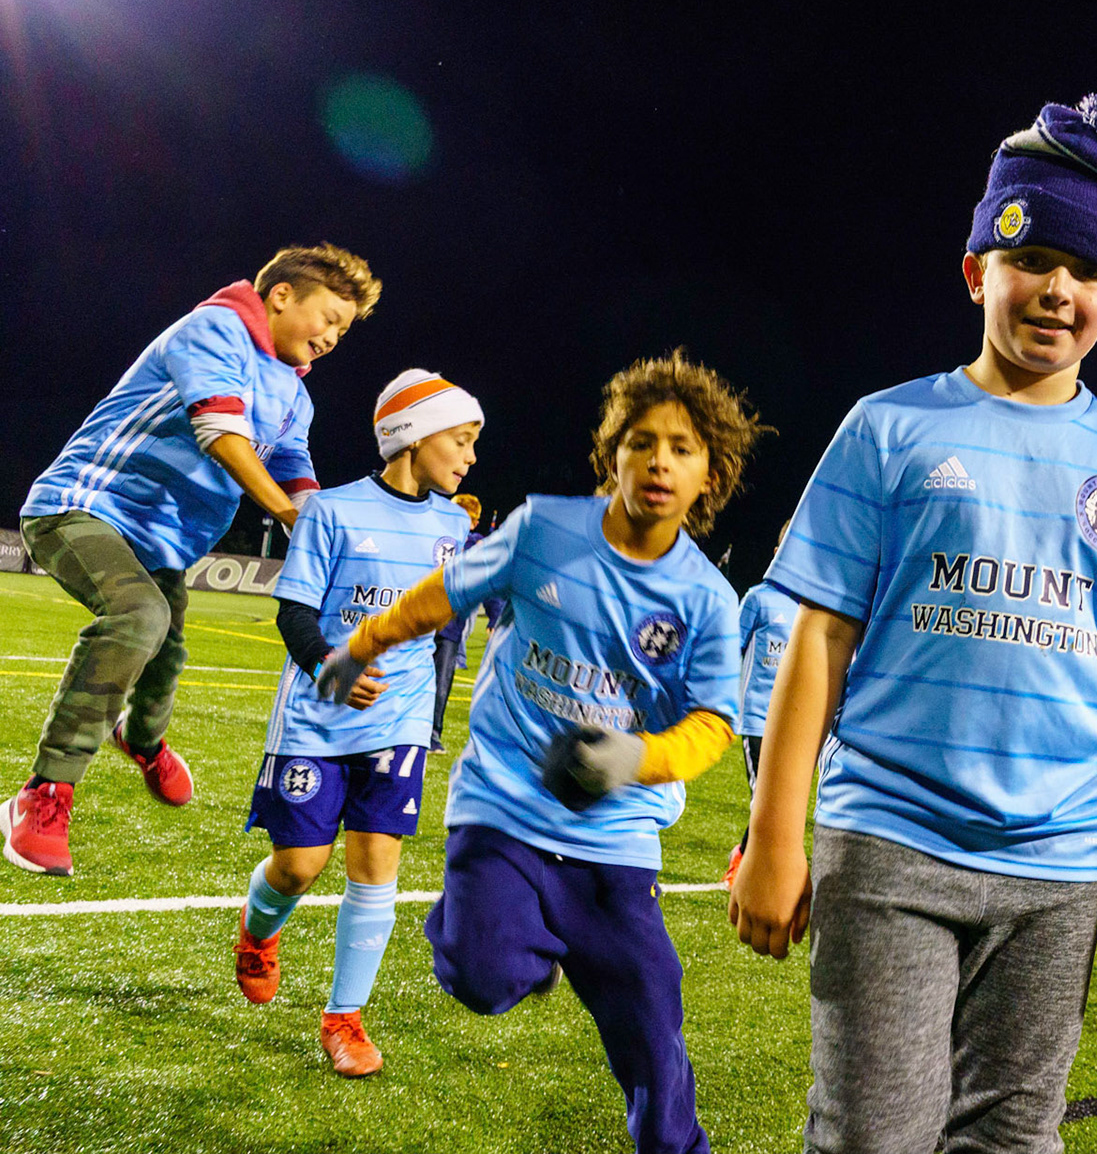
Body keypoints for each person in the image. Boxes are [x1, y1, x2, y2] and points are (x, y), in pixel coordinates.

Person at [730, 88, 1097, 1152]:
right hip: (889, 844)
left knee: (1012, 1136)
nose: (1058, 288)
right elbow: (816, 637)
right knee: (873, 1133)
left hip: (1057, 871)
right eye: (1033, 256)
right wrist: (774, 832)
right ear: (976, 271)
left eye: (1091, 271)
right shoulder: (888, 427)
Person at [315, 352, 767, 1153]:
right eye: (640, 440)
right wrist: (362, 643)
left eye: (683, 448)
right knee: (483, 978)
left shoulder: (705, 598)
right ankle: (500, 937)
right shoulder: (544, 530)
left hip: (616, 840)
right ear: (612, 453)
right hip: (505, 811)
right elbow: (445, 594)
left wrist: (627, 760)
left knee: (655, 1024)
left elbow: (711, 726)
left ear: (710, 474)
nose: (659, 460)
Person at [4, 245, 379, 878]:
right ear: (282, 295)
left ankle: (141, 739)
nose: (334, 336)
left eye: (345, 329)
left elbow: (294, 472)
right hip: (82, 507)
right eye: (330, 316)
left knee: (168, 653)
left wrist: (329, 528)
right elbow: (220, 431)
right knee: (139, 618)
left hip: (161, 546)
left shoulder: (295, 394)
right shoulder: (216, 327)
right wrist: (292, 521)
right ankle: (41, 794)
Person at [232, 369, 483, 1077]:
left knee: (376, 869)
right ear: (411, 434)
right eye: (460, 440)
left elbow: (443, 625)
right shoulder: (330, 512)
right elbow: (294, 611)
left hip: (398, 722)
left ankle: (344, 1019)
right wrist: (329, 668)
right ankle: (258, 932)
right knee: (300, 866)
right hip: (316, 719)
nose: (468, 457)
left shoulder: (454, 524)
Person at [724, 522, 798, 887]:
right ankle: (744, 865)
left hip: (794, 723)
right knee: (763, 801)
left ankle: (748, 859)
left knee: (782, 803)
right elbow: (729, 649)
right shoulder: (758, 598)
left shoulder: (810, 610)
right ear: (776, 552)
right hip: (756, 719)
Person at [429, 491, 488, 753]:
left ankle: (432, 734)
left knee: (442, 683)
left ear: (474, 522)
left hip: (451, 626)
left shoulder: (477, 545)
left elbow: (489, 579)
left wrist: (495, 617)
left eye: (466, 518)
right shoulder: (433, 534)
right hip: (419, 623)